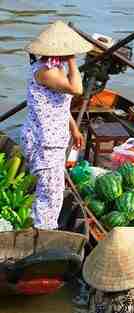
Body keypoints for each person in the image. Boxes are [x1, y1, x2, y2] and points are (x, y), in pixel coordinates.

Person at [21, 20, 90, 229]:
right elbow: (77, 89)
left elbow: (58, 105)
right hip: (44, 141)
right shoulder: (45, 71)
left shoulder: (55, 68)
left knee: (52, 190)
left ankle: (44, 226)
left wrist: (74, 128)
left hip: (53, 138)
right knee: (49, 194)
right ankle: (42, 232)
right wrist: (73, 63)